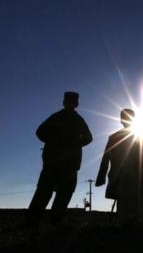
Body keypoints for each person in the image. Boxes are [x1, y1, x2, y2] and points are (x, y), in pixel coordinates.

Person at [27, 91, 93, 226]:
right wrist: (69, 144)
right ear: (76, 104)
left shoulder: (58, 117)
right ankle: (50, 220)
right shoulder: (73, 119)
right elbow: (88, 138)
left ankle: (36, 220)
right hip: (64, 162)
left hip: (60, 161)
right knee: (57, 191)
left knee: (49, 190)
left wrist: (55, 143)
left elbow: (40, 132)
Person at [95, 109, 143, 228]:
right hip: (122, 174)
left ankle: (133, 221)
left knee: (134, 198)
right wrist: (101, 176)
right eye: (123, 117)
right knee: (124, 198)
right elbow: (106, 157)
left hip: (136, 173)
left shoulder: (141, 135)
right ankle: (125, 222)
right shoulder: (114, 137)